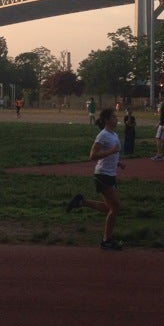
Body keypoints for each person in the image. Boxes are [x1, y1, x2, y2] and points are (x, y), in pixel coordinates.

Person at [66, 107, 125, 250]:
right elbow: (92, 156)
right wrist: (111, 151)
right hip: (102, 174)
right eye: (113, 117)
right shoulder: (102, 135)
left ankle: (81, 202)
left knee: (109, 208)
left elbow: (111, 155)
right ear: (106, 120)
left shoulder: (114, 134)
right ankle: (106, 241)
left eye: (116, 117)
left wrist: (118, 162)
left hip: (110, 174)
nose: (116, 119)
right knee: (115, 207)